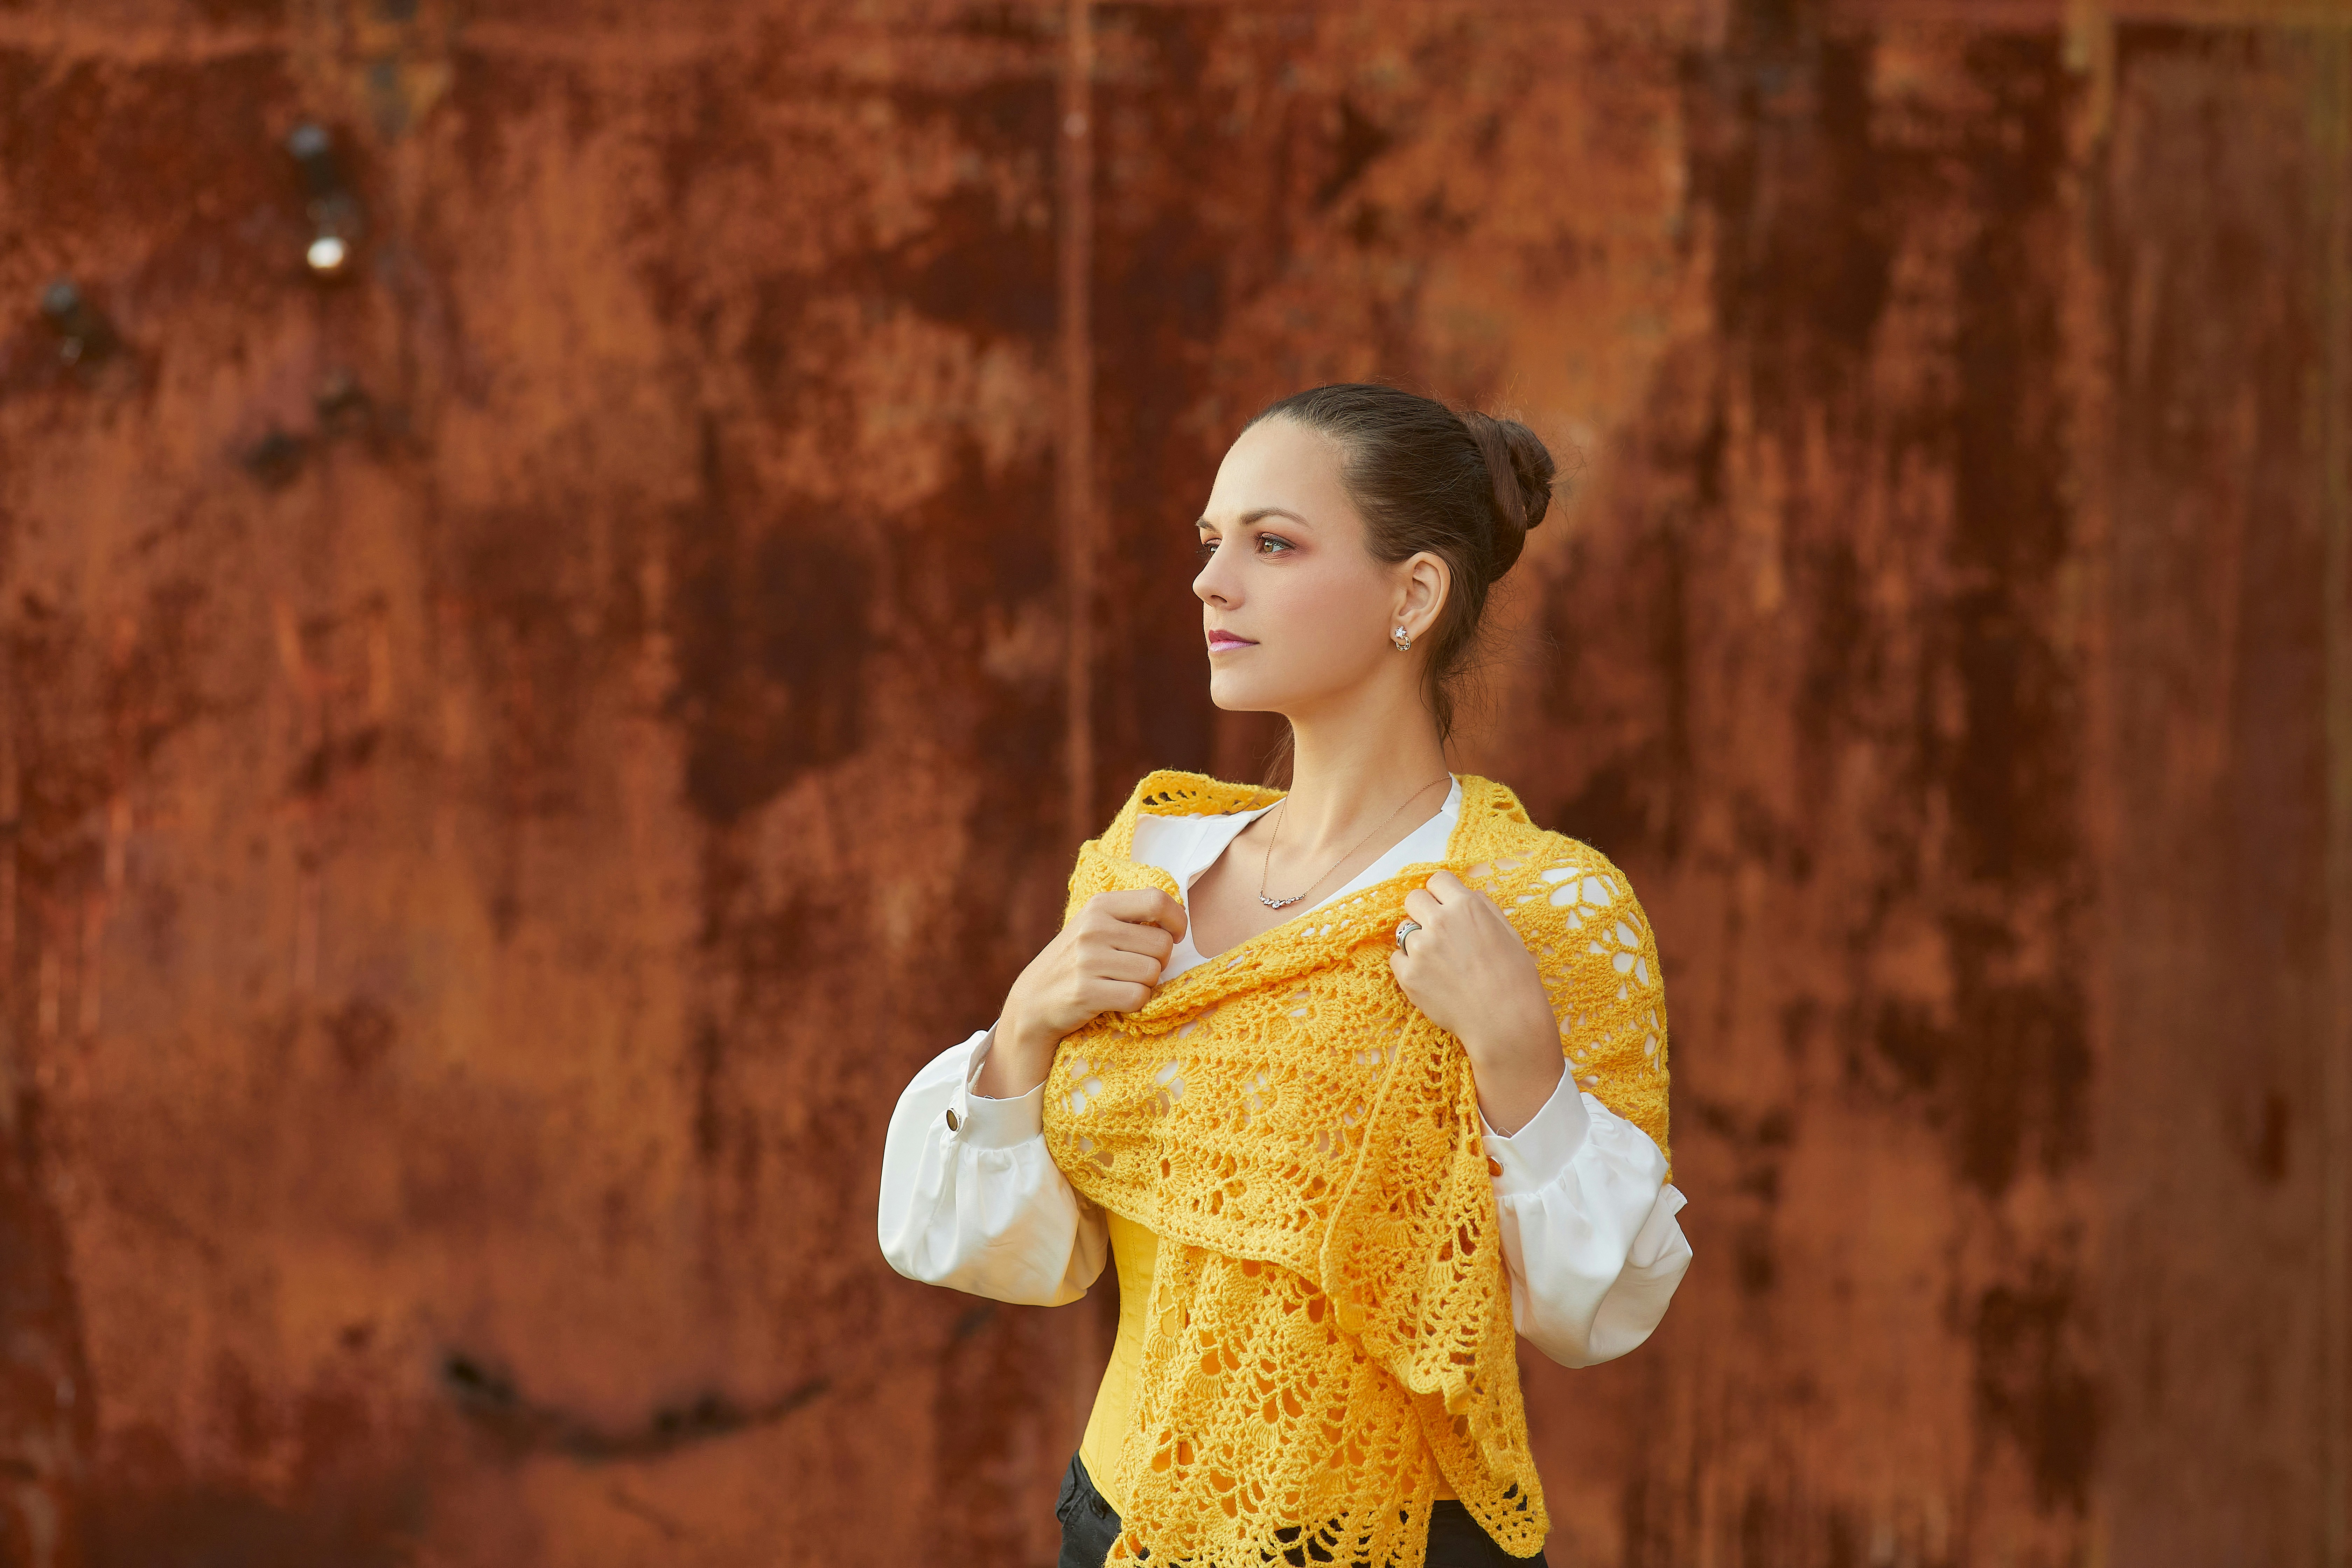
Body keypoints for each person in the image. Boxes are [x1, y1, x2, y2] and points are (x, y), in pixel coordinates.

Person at [879, 384, 1691, 1568]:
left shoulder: (1543, 903)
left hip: (1403, 1537)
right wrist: (1022, 1033)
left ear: (1414, 593)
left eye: (1272, 544)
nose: (1213, 583)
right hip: (1120, 1527)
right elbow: (1019, 1249)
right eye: (1212, 545)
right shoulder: (1144, 865)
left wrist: (1522, 1060)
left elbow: (1597, 1309)